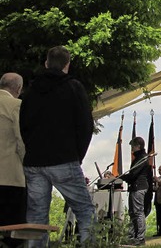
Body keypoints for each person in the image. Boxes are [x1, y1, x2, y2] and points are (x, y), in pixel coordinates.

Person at [19, 46, 95, 247]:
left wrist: (33, 149)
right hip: (64, 158)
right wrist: (77, 155)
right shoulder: (74, 87)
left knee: (36, 216)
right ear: (67, 65)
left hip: (34, 161)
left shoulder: (31, 91)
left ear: (46, 63)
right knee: (85, 211)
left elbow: (23, 125)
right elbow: (86, 125)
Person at [0, 73, 26, 246]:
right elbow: (21, 140)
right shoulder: (15, 105)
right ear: (18, 89)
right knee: (13, 230)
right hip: (10, 175)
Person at [121, 136, 152, 246]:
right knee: (133, 213)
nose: (132, 149)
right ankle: (132, 236)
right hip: (135, 187)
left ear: (138, 146)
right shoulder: (138, 158)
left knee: (138, 212)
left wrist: (123, 177)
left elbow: (134, 174)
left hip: (139, 187)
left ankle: (140, 238)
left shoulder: (142, 158)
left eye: (133, 146)